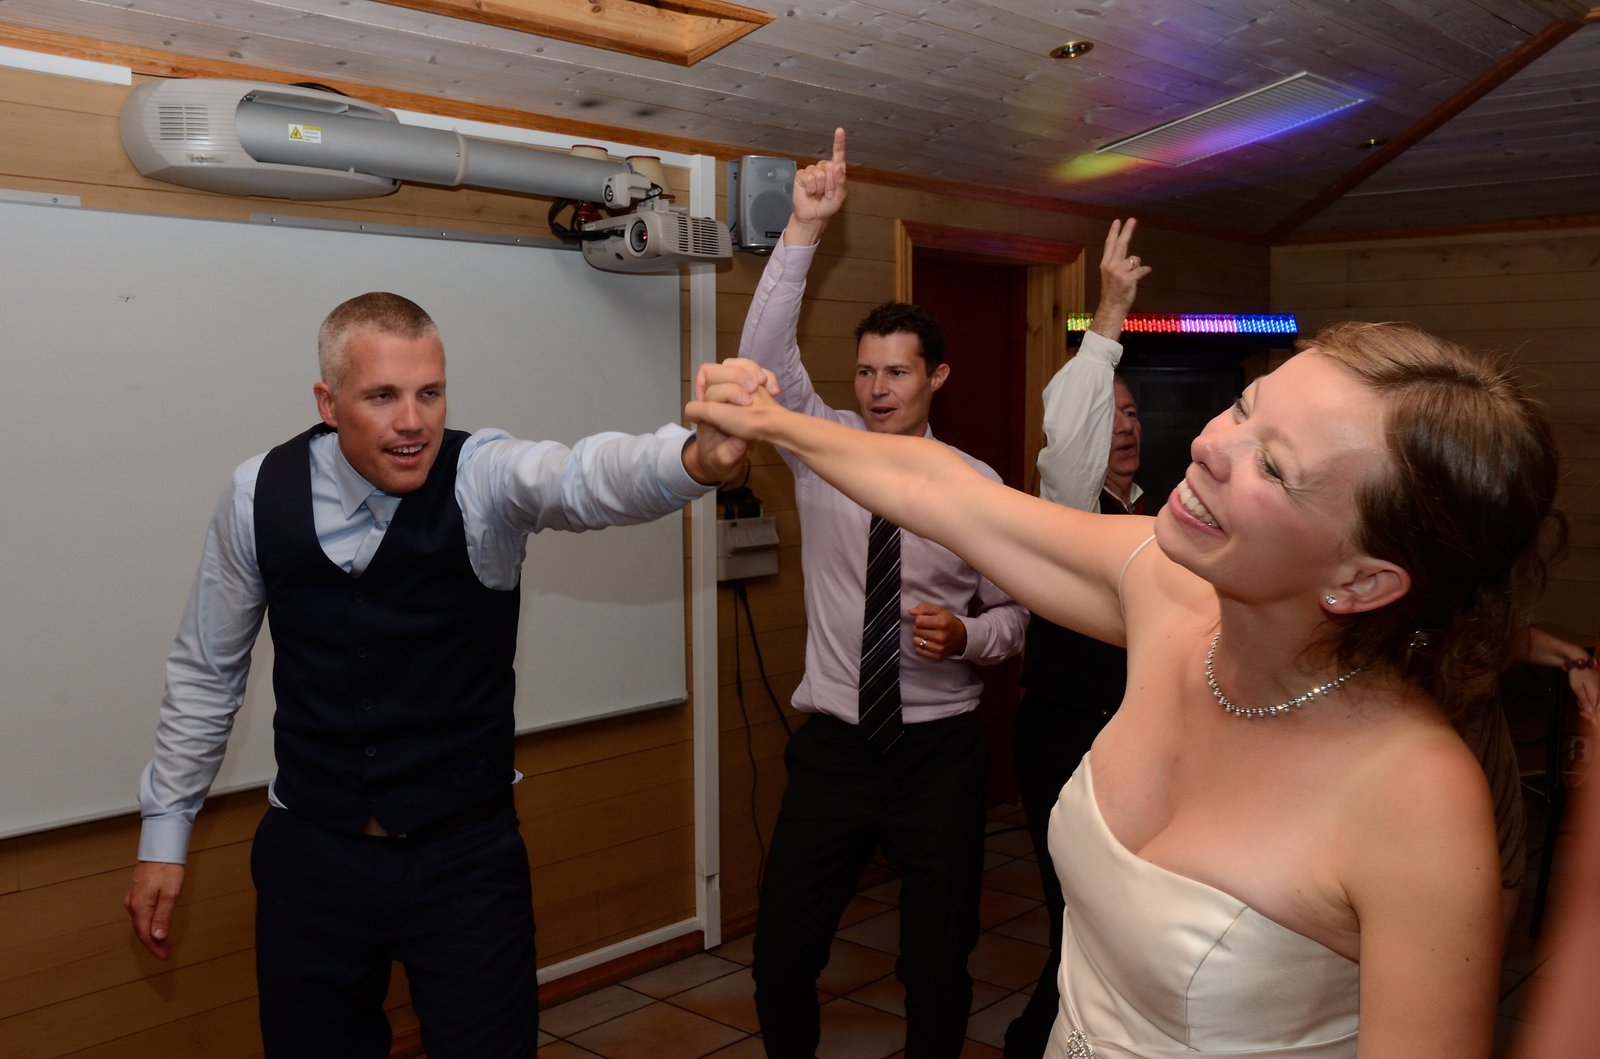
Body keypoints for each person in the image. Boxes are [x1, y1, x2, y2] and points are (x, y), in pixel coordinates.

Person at [690, 237, 1565, 1055]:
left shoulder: (1416, 799)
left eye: (1273, 465)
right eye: (1243, 408)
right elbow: (944, 493)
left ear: (1363, 581)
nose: (1210, 444)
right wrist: (774, 421)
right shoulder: (1171, 593)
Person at [122, 291, 765, 1059]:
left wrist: (692, 460)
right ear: (328, 402)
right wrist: (165, 831)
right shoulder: (257, 493)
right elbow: (206, 672)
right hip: (311, 856)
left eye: (430, 392)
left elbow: (579, 476)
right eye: (382, 396)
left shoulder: (480, 476)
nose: (413, 421)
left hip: (463, 860)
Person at [735, 129, 1027, 1058]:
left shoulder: (977, 484)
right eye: (865, 370)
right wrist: (803, 228)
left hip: (939, 756)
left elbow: (1016, 615)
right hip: (835, 751)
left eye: (896, 371)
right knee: (781, 958)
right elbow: (762, 356)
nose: (876, 388)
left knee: (936, 965)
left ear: (935, 377)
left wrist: (970, 638)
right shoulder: (823, 452)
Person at [1005, 219, 1149, 1059]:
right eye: (1112, 414)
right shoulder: (1069, 504)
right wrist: (1109, 315)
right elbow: (1068, 434)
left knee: (1119, 911)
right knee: (1075, 908)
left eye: (1133, 413)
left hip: (1136, 738)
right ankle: (1038, 1040)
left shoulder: (1168, 515)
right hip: (1062, 734)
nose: (1124, 426)